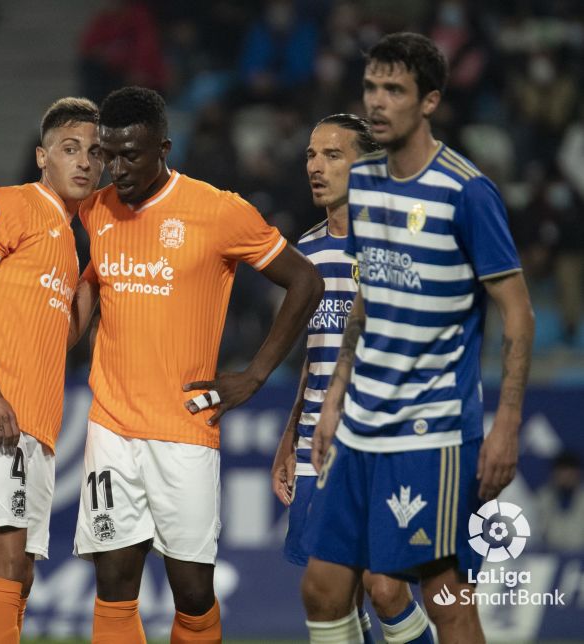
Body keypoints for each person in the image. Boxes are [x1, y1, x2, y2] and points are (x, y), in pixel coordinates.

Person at [300, 32, 535, 643]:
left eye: (395, 90)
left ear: (429, 101)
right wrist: (332, 401)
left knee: (443, 593)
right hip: (359, 425)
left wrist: (507, 423)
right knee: (323, 587)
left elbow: (518, 312)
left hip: (432, 430)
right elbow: (365, 302)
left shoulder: (467, 192)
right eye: (372, 87)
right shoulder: (368, 182)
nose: (378, 101)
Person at [70, 86, 323, 644]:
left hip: (185, 429)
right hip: (110, 426)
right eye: (108, 154)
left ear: (164, 146)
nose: (117, 168)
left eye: (131, 155)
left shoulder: (217, 210)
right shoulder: (96, 211)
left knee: (190, 592)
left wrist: (256, 374)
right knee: (112, 584)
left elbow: (305, 280)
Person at [0, 97, 103, 643]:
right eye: (69, 149)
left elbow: (63, 337)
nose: (83, 162)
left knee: (20, 572)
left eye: (95, 153)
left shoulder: (71, 243)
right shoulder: (10, 205)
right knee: (3, 562)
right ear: (41, 157)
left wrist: (96, 274)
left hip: (33, 422)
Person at [272, 113, 435, 644]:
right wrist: (289, 435)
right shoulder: (307, 253)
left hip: (386, 441)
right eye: (311, 156)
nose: (315, 167)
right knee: (333, 596)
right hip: (316, 445)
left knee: (385, 587)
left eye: (332, 155)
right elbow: (313, 358)